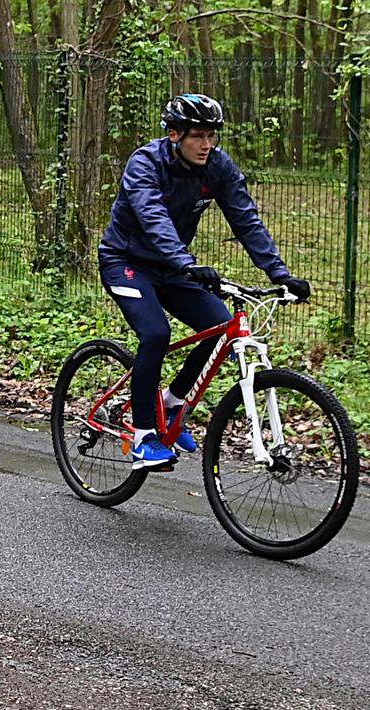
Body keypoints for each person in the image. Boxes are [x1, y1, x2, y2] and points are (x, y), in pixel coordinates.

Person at [98, 93, 311, 470]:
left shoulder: (217, 166)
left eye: (213, 135)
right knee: (155, 334)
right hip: (125, 262)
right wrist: (187, 262)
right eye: (198, 136)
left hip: (172, 268)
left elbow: (246, 219)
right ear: (174, 135)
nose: (208, 144)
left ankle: (172, 402)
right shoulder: (145, 163)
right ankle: (143, 435)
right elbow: (152, 218)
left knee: (217, 328)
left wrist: (280, 274)